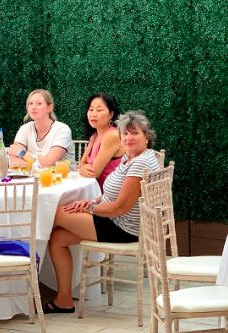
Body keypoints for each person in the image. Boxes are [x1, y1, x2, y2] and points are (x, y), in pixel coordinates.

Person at [44, 111, 160, 313]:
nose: (129, 138)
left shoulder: (140, 163)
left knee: (54, 215)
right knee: (57, 238)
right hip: (114, 219)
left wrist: (89, 208)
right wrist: (91, 202)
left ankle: (23, 271)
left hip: (123, 227)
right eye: (125, 134)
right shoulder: (130, 157)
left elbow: (120, 207)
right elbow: (112, 196)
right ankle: (64, 300)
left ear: (147, 137)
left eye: (135, 133)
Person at [8, 89, 75, 169]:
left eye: (39, 103)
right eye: (30, 103)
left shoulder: (62, 130)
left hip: (64, 179)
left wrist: (22, 153)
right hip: (33, 179)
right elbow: (13, 159)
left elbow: (49, 163)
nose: (33, 107)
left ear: (49, 108)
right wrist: (38, 165)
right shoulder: (25, 129)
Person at [77, 93, 125, 188]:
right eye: (91, 110)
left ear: (111, 114)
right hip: (93, 188)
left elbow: (94, 173)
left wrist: (82, 168)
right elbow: (81, 163)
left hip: (108, 194)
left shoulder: (112, 135)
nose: (93, 114)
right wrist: (82, 168)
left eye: (99, 110)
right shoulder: (94, 136)